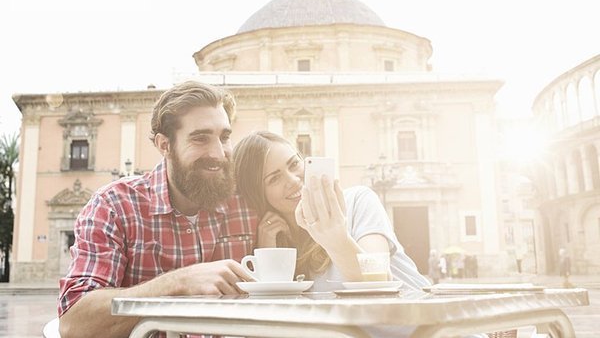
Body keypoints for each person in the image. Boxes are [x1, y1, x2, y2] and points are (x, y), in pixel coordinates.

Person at [58, 81, 258, 338]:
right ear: (164, 145)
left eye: (225, 137)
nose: (219, 153)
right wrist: (177, 283)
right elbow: (74, 325)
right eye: (200, 138)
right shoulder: (114, 206)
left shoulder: (247, 200)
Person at [233, 131, 429, 292]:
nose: (293, 180)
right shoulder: (276, 239)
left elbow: (379, 280)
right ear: (259, 194)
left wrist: (335, 238)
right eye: (274, 178)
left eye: (294, 164)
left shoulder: (358, 200)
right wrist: (267, 248)